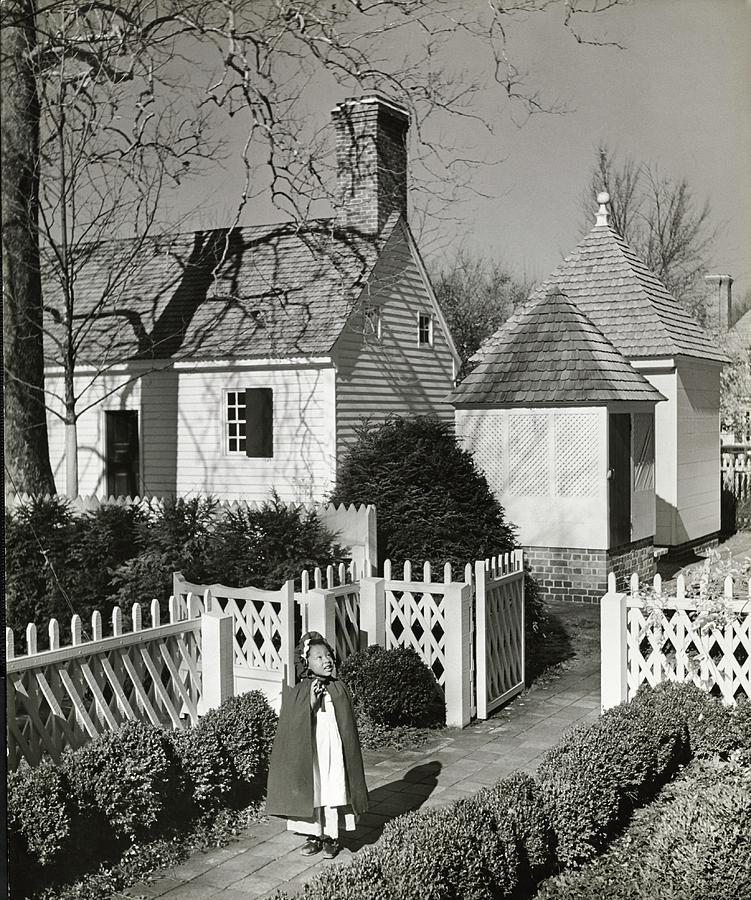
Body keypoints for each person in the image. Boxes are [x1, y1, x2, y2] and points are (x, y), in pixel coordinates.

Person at [265, 631, 368, 859]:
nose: (326, 661)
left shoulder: (339, 687)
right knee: (315, 788)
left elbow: (346, 722)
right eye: (319, 657)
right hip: (311, 748)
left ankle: (331, 837)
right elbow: (295, 721)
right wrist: (310, 702)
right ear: (307, 663)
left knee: (333, 786)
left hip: (334, 746)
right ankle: (314, 835)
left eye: (328, 655)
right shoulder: (301, 690)